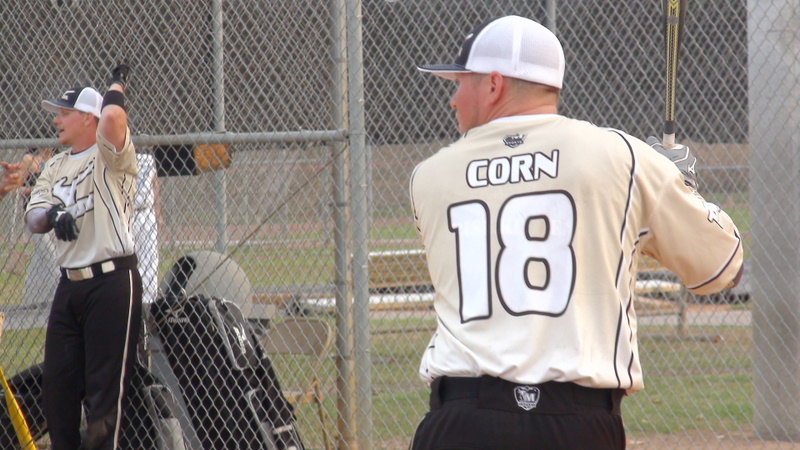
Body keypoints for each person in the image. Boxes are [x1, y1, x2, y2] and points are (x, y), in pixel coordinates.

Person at [410, 15, 743, 449]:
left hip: (460, 423)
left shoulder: (429, 176)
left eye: (460, 82)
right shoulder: (622, 157)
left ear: (493, 85)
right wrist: (678, 186)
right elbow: (720, 270)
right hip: (576, 425)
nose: (453, 99)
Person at [24, 65, 143, 449]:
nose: (56, 120)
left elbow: (113, 117)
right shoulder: (56, 166)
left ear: (88, 118)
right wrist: (53, 213)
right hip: (69, 287)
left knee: (102, 397)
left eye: (65, 113)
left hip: (112, 283)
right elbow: (34, 217)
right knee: (57, 392)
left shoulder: (111, 157)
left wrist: (115, 84)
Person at [20, 148, 60, 309]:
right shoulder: (29, 159)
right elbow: (20, 189)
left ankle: (31, 298)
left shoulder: (58, 157)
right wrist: (40, 190)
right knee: (49, 253)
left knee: (39, 257)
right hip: (34, 214)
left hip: (52, 211)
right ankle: (60, 290)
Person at [133, 152, 160, 305]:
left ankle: (148, 301)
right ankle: (130, 296)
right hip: (126, 213)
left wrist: (158, 213)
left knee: (150, 259)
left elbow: (154, 184)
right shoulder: (115, 155)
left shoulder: (147, 159)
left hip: (146, 211)